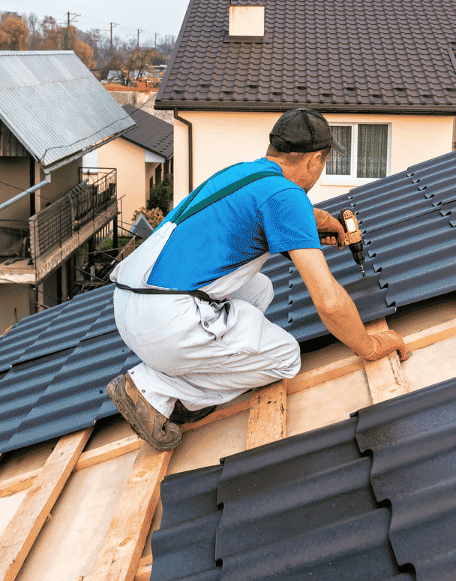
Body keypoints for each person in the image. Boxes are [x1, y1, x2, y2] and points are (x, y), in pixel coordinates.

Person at [105, 108, 410, 450]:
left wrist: (314, 219)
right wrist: (370, 346)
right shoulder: (286, 196)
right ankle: (155, 389)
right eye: (324, 162)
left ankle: (185, 369)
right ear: (313, 161)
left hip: (131, 302)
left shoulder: (243, 173)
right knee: (285, 357)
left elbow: (259, 211)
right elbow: (327, 300)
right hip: (164, 323)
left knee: (260, 287)